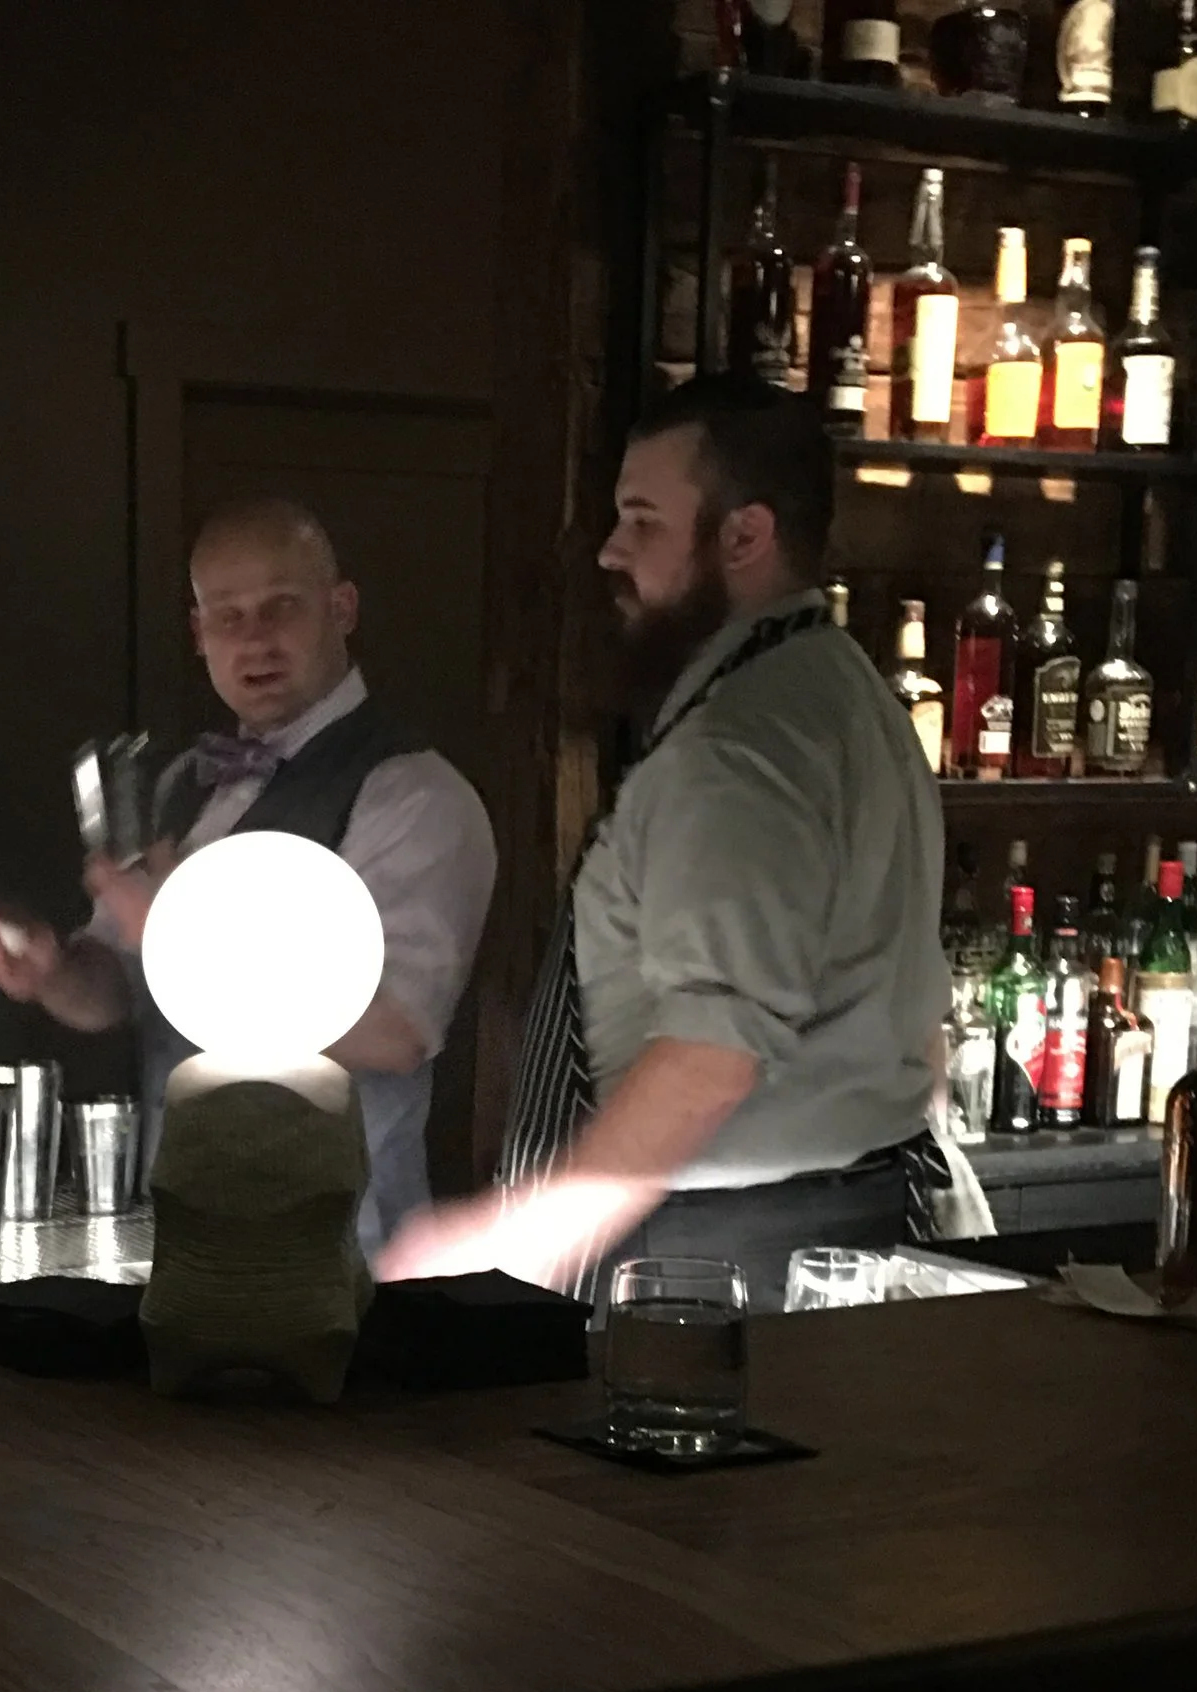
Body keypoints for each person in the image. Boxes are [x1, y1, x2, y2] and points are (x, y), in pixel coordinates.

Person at [379, 375, 946, 1307]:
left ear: (744, 536)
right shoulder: (844, 692)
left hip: (728, 1253)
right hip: (836, 1218)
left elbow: (708, 1059)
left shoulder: (735, 749)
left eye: (642, 522)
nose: (611, 550)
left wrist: (510, 1242)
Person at [0, 499, 496, 1255]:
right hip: (183, 1232)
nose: (255, 639)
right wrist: (53, 974)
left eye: (282, 607)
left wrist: (175, 934)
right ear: (198, 633)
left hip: (337, 1247)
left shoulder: (413, 795)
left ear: (342, 608)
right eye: (228, 615)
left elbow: (395, 1033)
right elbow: (117, 990)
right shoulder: (183, 784)